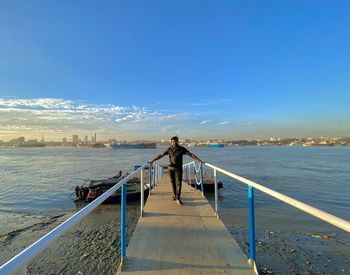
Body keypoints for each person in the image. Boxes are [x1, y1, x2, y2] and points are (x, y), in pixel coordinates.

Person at [151, 136, 204, 205]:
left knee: (179, 183)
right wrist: (153, 160)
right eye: (173, 141)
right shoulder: (169, 149)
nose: (174, 142)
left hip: (178, 169)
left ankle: (178, 198)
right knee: (172, 183)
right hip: (170, 169)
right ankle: (175, 195)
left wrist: (199, 160)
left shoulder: (182, 149)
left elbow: (190, 154)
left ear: (178, 141)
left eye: (176, 141)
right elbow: (161, 155)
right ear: (171, 142)